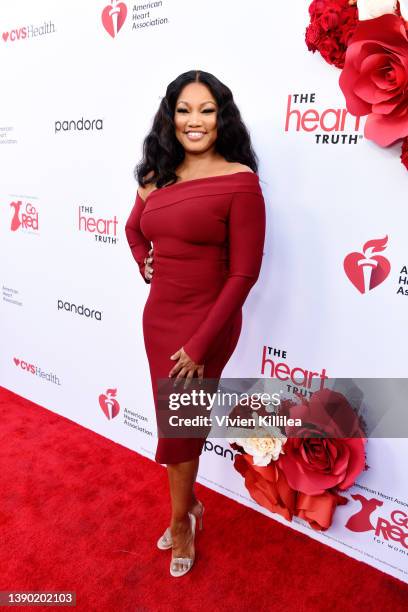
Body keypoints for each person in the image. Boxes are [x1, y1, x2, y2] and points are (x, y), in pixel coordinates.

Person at [125, 69, 266, 577]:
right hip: (159, 319)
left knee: (181, 430)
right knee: (175, 424)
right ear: (170, 116)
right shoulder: (156, 177)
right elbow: (132, 228)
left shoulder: (238, 181)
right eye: (184, 109)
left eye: (207, 110)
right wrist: (144, 259)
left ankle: (182, 521)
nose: (194, 120)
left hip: (207, 323)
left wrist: (201, 344)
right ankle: (191, 510)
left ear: (222, 118)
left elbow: (245, 273)